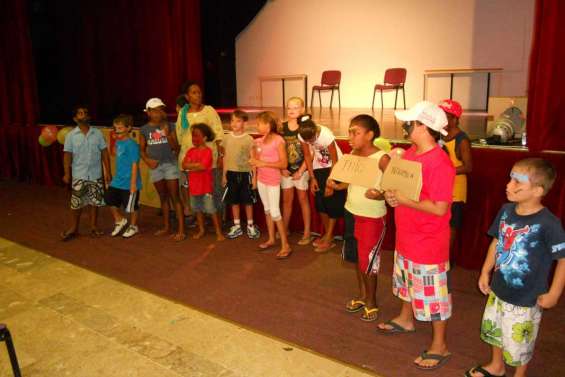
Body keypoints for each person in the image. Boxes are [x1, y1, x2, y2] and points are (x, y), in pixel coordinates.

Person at [466, 158, 565, 377]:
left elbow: (563, 259)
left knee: (521, 341)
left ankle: (519, 374)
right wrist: (485, 270)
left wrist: (555, 293)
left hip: (527, 297)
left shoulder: (549, 223)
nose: (508, 185)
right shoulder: (506, 210)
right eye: (510, 178)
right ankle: (496, 365)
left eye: (517, 182)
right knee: (496, 329)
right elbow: (497, 241)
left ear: (538, 190)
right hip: (499, 288)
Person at [377, 101, 455, 371]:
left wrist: (404, 200)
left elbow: (440, 207)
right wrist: (392, 195)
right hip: (407, 236)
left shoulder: (440, 164)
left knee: (434, 295)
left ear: (424, 127)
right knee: (406, 280)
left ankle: (440, 345)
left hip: (428, 242)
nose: (407, 126)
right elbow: (402, 189)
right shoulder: (410, 154)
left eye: (411, 123)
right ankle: (406, 317)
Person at [328, 115, 390, 322]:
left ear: (370, 135)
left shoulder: (382, 158)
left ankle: (372, 301)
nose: (350, 136)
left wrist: (380, 194)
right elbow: (354, 180)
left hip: (371, 218)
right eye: (350, 132)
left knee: (369, 261)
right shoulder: (354, 153)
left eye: (356, 132)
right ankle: (363, 296)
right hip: (351, 211)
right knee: (357, 258)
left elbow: (394, 190)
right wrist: (339, 186)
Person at [60, 105, 111, 240]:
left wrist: (108, 172)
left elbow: (104, 153)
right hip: (79, 174)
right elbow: (67, 155)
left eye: (86, 113)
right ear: (75, 118)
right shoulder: (71, 136)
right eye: (81, 113)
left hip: (96, 174)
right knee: (76, 203)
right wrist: (66, 173)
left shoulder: (98, 133)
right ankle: (74, 228)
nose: (84, 115)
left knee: (95, 202)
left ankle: (93, 227)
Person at [176, 81, 225, 217]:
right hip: (189, 158)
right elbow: (180, 135)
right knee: (193, 189)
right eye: (194, 92)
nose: (198, 95)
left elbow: (218, 133)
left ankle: (216, 218)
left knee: (212, 189)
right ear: (187, 97)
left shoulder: (209, 110)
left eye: (199, 92)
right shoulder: (183, 113)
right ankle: (196, 217)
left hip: (207, 158)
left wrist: (221, 156)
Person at [140, 97, 185, 241]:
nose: (158, 113)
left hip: (170, 164)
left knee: (175, 196)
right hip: (155, 167)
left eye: (160, 110)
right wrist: (147, 161)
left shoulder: (170, 125)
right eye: (154, 110)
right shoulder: (144, 129)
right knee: (163, 197)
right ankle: (166, 227)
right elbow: (141, 149)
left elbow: (176, 148)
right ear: (148, 112)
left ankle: (181, 230)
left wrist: (168, 135)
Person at [298, 114, 344, 253]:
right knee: (321, 204)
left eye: (312, 140)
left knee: (332, 203)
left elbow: (335, 160)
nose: (310, 142)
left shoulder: (326, 135)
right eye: (308, 141)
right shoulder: (302, 135)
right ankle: (327, 235)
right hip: (318, 167)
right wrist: (312, 178)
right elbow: (307, 156)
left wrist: (331, 181)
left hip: (334, 168)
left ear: (316, 132)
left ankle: (329, 238)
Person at [249, 111, 291, 259]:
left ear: (268, 125)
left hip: (273, 181)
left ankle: (285, 245)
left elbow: (284, 163)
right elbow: (255, 160)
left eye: (259, 123)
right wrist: (254, 177)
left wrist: (262, 162)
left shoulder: (278, 140)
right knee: (267, 210)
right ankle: (272, 238)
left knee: (275, 212)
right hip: (261, 179)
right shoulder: (260, 140)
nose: (257, 125)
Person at [439, 99, 472, 259]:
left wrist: (444, 171)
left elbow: (468, 167)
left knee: (451, 227)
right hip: (440, 187)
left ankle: (446, 260)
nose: (441, 120)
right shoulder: (439, 134)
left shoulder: (462, 139)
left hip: (455, 191)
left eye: (445, 117)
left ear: (454, 119)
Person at [182, 123, 225, 241]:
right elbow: (184, 164)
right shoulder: (190, 151)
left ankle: (218, 232)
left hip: (205, 187)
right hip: (194, 187)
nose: (194, 139)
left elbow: (202, 166)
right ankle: (201, 229)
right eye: (193, 136)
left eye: (197, 136)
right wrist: (194, 165)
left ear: (205, 138)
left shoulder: (208, 151)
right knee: (198, 209)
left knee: (211, 210)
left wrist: (191, 165)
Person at [222, 109, 260, 239]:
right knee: (234, 201)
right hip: (231, 174)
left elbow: (253, 159)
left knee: (248, 201)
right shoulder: (226, 138)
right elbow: (225, 157)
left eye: (238, 121)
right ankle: (237, 226)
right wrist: (224, 175)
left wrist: (254, 178)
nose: (234, 123)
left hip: (245, 174)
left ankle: (250, 225)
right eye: (232, 120)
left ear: (245, 123)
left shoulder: (249, 139)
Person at [104, 114, 142, 238]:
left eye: (120, 128)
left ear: (128, 128)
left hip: (129, 181)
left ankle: (133, 226)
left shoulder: (132, 145)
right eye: (115, 128)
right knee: (109, 199)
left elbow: (135, 164)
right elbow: (114, 153)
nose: (117, 130)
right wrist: (114, 139)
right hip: (117, 180)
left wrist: (133, 184)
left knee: (131, 207)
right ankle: (120, 220)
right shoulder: (118, 143)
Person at [281, 97, 312, 245]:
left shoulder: (305, 127)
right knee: (287, 200)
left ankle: (307, 232)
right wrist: (282, 168)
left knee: (303, 199)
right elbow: (278, 149)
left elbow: (310, 153)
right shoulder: (282, 127)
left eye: (295, 107)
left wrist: (301, 171)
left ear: (302, 110)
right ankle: (284, 229)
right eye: (289, 108)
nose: (292, 110)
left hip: (302, 169)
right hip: (286, 171)